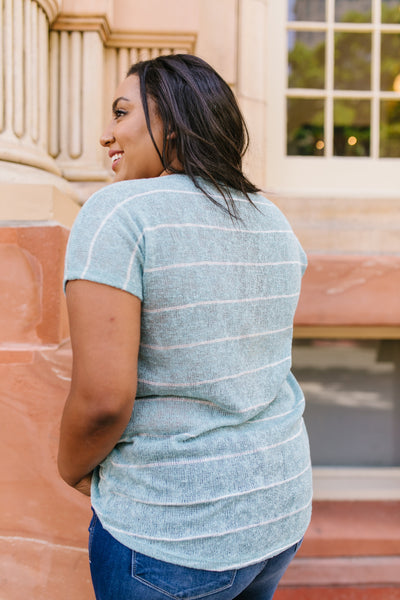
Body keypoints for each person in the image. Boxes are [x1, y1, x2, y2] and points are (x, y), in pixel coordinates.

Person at [58, 53, 312, 600]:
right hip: (278, 507)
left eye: (122, 113)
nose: (107, 134)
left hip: (172, 534)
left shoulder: (118, 212)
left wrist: (70, 469)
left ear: (171, 122)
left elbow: (103, 400)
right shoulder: (269, 217)